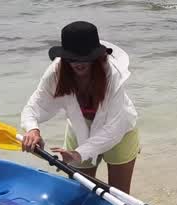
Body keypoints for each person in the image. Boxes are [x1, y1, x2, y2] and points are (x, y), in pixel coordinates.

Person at [20, 21, 141, 193]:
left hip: (120, 131)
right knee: (81, 191)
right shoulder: (57, 72)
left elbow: (114, 128)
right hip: (79, 128)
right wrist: (33, 130)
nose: (78, 63)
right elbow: (33, 107)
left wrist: (79, 153)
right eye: (71, 58)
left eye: (85, 58)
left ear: (96, 56)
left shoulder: (112, 74)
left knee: (119, 195)